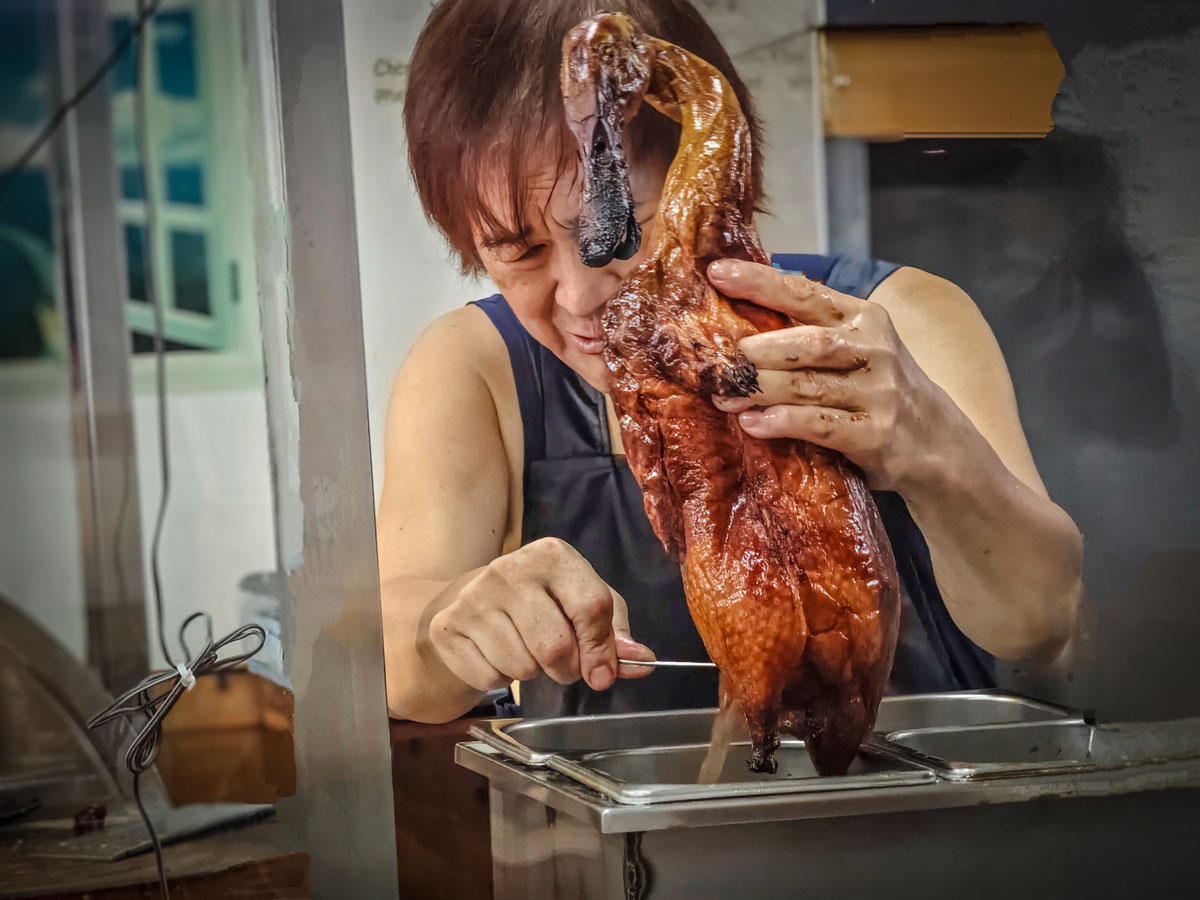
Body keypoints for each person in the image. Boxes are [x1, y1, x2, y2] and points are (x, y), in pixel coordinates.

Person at [379, 0, 1083, 723]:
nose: (582, 294)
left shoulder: (900, 320)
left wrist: (932, 453)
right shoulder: (476, 368)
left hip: (918, 817)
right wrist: (458, 623)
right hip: (628, 826)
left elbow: (1042, 625)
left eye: (621, 231)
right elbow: (404, 671)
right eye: (519, 252)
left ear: (710, 182)